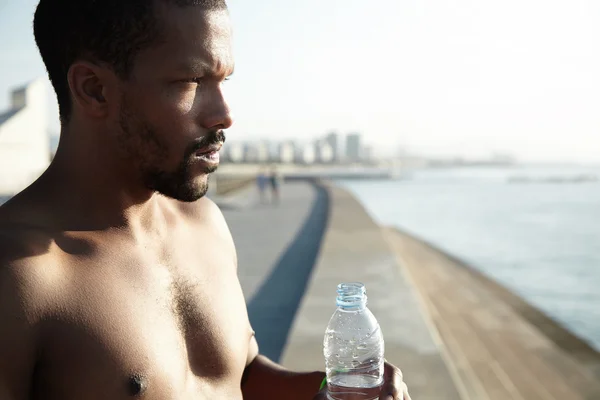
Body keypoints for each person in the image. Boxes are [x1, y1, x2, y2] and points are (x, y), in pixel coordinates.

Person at [0, 1, 411, 399]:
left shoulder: (204, 223)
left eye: (223, 81)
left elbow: (238, 376)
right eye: (191, 81)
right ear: (94, 90)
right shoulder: (19, 275)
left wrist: (331, 389)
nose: (224, 113)